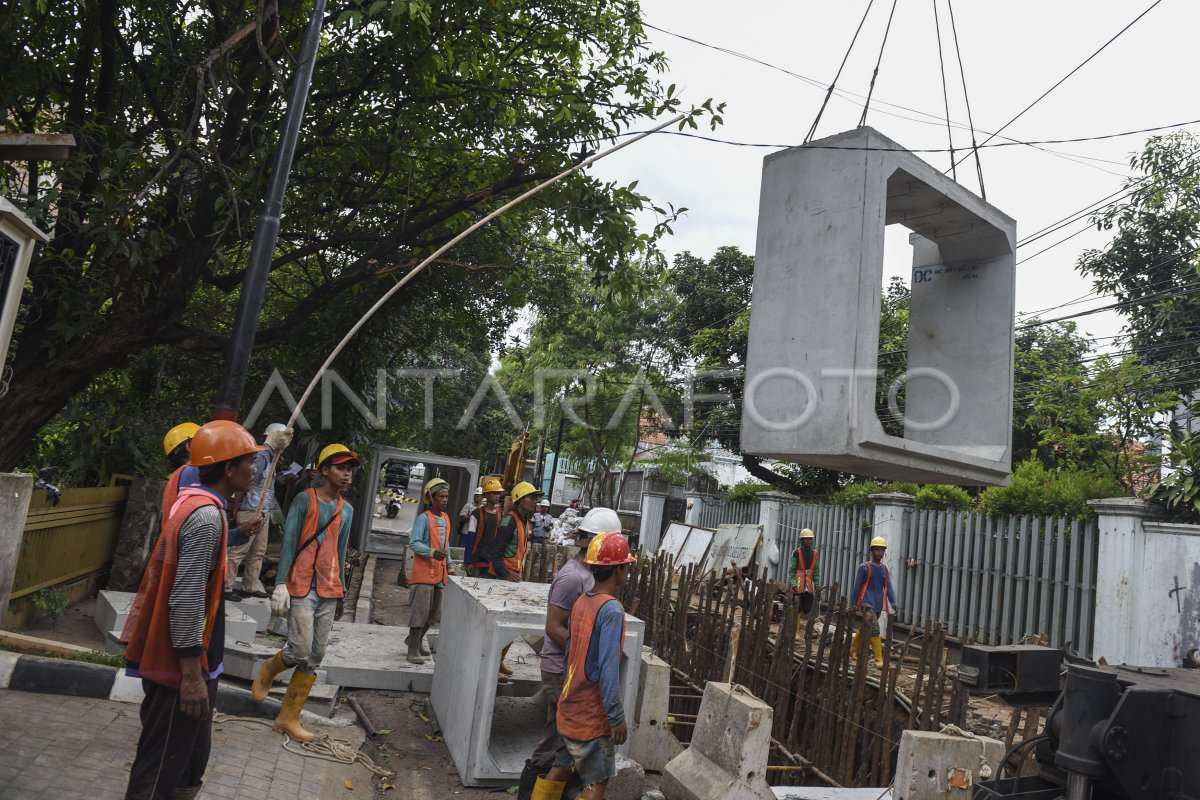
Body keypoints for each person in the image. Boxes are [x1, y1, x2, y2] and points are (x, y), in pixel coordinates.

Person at [121, 421, 264, 800]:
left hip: (183, 654)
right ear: (228, 468)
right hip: (177, 661)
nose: (255, 469)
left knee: (182, 757)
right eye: (249, 461)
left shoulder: (196, 503)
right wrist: (189, 674)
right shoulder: (205, 517)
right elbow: (186, 598)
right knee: (159, 765)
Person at [252, 444, 358, 742]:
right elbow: (289, 542)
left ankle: (288, 717)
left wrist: (343, 592)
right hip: (300, 584)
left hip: (329, 587)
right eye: (340, 467)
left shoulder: (346, 509)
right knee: (298, 649)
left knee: (317, 654)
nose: (346, 474)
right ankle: (268, 671)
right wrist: (281, 583)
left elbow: (340, 550)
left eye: (349, 469)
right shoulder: (304, 499)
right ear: (324, 470)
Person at [517, 507, 620, 800]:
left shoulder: (591, 576)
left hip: (573, 670)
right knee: (556, 741)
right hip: (560, 670)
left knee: (563, 744)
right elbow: (553, 627)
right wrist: (583, 659)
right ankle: (531, 790)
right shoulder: (573, 577)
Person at [532, 532, 636, 800]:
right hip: (591, 715)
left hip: (570, 706)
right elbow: (608, 669)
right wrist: (615, 717)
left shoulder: (582, 601)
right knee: (595, 782)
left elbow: (570, 655)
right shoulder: (612, 610)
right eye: (626, 566)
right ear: (619, 570)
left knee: (561, 767)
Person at [226, 422, 289, 599]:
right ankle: (226, 586)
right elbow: (247, 483)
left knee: (258, 551)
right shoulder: (262, 456)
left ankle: (249, 586)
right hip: (251, 510)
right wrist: (236, 507)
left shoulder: (272, 458)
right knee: (239, 550)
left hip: (263, 511)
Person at [404, 478, 452, 664]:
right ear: (431, 498)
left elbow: (446, 544)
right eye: (441, 496)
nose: (445, 500)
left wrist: (450, 564)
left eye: (447, 496)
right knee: (420, 614)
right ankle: (412, 650)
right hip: (424, 574)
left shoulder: (446, 518)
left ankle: (414, 641)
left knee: (433, 615)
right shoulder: (424, 519)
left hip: (439, 575)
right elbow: (414, 543)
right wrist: (431, 552)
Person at [849, 536, 899, 667]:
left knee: (866, 626)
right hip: (866, 603)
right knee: (875, 629)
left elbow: (889, 587)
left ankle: (853, 650)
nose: (879, 552)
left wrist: (893, 601)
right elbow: (857, 587)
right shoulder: (864, 567)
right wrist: (853, 605)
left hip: (877, 605)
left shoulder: (884, 569)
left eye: (882, 550)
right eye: (877, 549)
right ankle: (879, 660)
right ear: (871, 551)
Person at [465, 476, 505, 575]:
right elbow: (470, 537)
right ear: (486, 495)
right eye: (494, 493)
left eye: (498, 493)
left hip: (492, 561)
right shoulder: (476, 513)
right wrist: (468, 561)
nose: (497, 496)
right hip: (477, 560)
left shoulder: (500, 514)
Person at [789, 528, 821, 615]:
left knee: (807, 608)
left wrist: (817, 584)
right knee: (796, 608)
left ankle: (800, 626)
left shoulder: (814, 553)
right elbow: (792, 570)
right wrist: (793, 583)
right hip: (798, 585)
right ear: (802, 540)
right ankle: (794, 626)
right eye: (806, 539)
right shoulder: (796, 552)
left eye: (810, 539)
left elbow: (816, 571)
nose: (808, 541)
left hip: (808, 587)